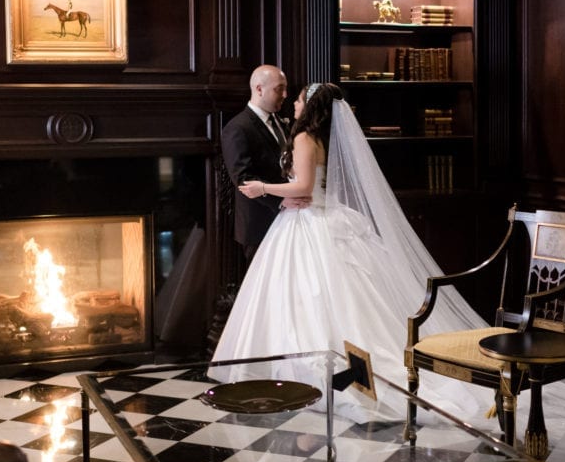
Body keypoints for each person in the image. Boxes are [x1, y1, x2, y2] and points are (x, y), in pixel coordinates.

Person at [210, 82, 491, 422]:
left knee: (308, 300)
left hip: (309, 223)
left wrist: (263, 188)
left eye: (298, 100)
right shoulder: (324, 139)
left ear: (309, 107)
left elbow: (304, 187)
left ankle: (322, 373)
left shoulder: (302, 138)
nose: (293, 106)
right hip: (323, 217)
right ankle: (349, 370)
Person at [221, 64, 308, 265]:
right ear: (259, 89)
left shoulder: (281, 122)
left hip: (290, 219)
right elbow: (243, 178)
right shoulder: (237, 128)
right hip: (259, 224)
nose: (285, 94)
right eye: (279, 89)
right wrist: (280, 201)